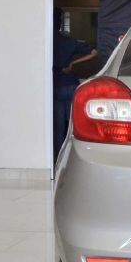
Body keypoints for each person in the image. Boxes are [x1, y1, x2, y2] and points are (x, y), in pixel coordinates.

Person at [53, 8, 97, 160]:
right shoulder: (69, 41)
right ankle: (73, 158)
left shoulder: (45, 41)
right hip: (71, 85)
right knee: (73, 126)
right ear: (60, 23)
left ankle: (58, 160)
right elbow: (93, 52)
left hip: (56, 87)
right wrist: (73, 63)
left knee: (58, 128)